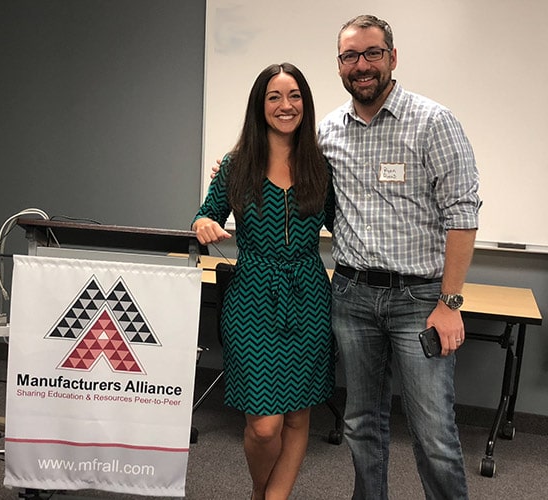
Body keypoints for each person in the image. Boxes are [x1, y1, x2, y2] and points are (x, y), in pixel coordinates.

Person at [319, 15, 481, 500]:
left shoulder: (433, 122)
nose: (361, 65)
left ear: (392, 57)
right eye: (350, 56)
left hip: (420, 301)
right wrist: (231, 166)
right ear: (340, 65)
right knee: (361, 423)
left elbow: (463, 215)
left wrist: (449, 303)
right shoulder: (328, 132)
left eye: (372, 53)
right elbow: (288, 173)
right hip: (352, 296)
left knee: (433, 433)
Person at [192, 62, 336, 500]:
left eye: (294, 96)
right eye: (274, 97)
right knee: (264, 425)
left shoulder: (321, 167)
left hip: (308, 296)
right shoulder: (236, 165)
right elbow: (206, 214)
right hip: (251, 297)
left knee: (297, 416)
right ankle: (260, 492)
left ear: (305, 104)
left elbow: (347, 224)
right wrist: (203, 224)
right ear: (260, 105)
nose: (285, 105)